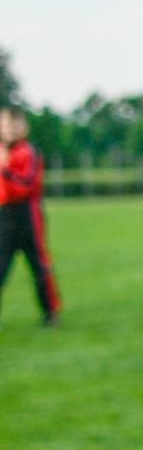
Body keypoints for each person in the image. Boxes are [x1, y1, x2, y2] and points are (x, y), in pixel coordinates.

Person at [0, 107, 62, 328]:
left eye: (15, 124)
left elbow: (26, 185)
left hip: (27, 216)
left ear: (24, 127)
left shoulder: (28, 152)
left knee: (39, 266)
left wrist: (5, 170)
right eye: (6, 124)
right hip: (3, 217)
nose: (10, 129)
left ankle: (51, 312)